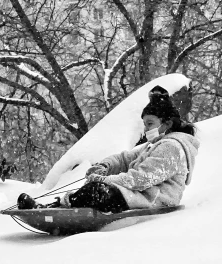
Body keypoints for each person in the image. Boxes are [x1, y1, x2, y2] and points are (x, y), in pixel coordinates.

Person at [18, 87, 199, 214]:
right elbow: (125, 159)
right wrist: (105, 166)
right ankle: (57, 208)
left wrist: (104, 179)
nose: (146, 129)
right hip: (139, 196)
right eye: (144, 124)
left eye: (150, 123)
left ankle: (56, 209)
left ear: (166, 123)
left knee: (98, 190)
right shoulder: (156, 144)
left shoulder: (172, 148)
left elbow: (140, 179)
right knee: (97, 189)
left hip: (153, 200)